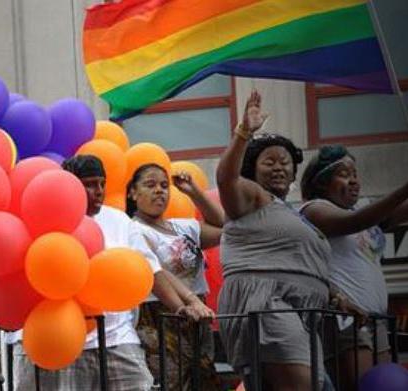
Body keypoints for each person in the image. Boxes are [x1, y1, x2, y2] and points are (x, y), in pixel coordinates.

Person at [11, 155, 208, 391]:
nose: (99, 191)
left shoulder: (118, 220)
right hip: (58, 342)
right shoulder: (42, 216)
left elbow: (150, 269)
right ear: (69, 184)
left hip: (116, 339)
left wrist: (183, 304)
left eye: (102, 184)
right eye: (90, 184)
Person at [216, 90, 331, 391]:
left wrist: (336, 295)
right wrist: (244, 133)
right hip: (266, 302)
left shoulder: (291, 213)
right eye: (269, 162)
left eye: (285, 162)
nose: (279, 167)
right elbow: (225, 178)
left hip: (303, 311)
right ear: (252, 169)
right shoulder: (252, 197)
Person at [299, 145, 408, 390]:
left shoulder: (363, 210)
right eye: (345, 174)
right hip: (344, 319)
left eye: (355, 174)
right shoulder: (314, 209)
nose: (354, 181)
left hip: (376, 320)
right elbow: (354, 222)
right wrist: (402, 190)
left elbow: (391, 212)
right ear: (323, 182)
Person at [126, 163, 223, 390]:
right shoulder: (134, 229)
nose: (159, 190)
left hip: (198, 313)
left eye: (164, 185)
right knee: (173, 382)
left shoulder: (184, 227)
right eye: (150, 185)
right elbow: (157, 273)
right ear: (133, 192)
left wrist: (192, 190)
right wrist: (186, 305)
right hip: (160, 314)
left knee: (204, 378)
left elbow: (223, 225)